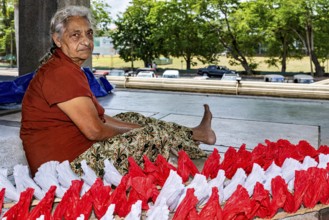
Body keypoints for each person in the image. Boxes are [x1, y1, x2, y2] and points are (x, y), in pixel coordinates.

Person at [20, 5, 216, 177]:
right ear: (58, 40)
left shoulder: (67, 67)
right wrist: (140, 133)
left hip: (76, 152)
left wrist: (136, 127)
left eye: (89, 33)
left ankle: (196, 135)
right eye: (75, 34)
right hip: (65, 168)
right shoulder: (60, 72)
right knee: (148, 136)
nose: (86, 41)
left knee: (134, 118)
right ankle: (189, 152)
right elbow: (95, 130)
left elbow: (100, 118)